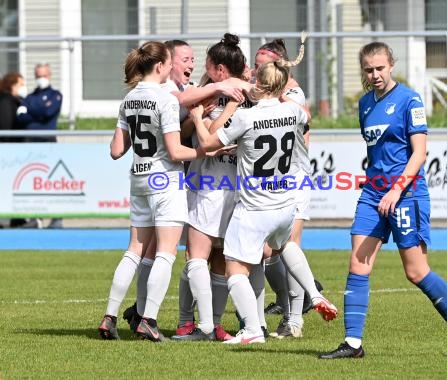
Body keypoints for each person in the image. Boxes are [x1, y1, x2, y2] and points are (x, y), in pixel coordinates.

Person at [319, 41, 447, 359]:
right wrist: (379, 187)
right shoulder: (365, 104)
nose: (375, 74)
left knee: (416, 272)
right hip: (373, 193)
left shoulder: (410, 100)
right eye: (369, 69)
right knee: (357, 263)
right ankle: (353, 344)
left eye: (380, 68)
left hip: (406, 194)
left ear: (391, 65)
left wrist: (396, 189)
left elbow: (419, 152)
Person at [189, 57, 321, 344]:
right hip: (284, 202)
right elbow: (304, 114)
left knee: (236, 268)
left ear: (259, 85)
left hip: (253, 204)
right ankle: (311, 297)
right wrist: (281, 89)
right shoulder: (294, 112)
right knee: (280, 251)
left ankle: (252, 328)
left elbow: (210, 144)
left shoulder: (246, 117)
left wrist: (198, 118)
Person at [98, 40, 206, 342]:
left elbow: (116, 150)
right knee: (166, 253)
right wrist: (204, 152)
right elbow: (174, 151)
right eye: (170, 62)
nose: (173, 66)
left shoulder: (129, 99)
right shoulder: (166, 99)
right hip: (165, 182)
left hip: (139, 179)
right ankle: (149, 320)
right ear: (160, 66)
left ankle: (109, 317)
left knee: (134, 250)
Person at [171, 33, 254, 342]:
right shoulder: (253, 93)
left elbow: (211, 140)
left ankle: (198, 325)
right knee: (219, 259)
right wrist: (195, 119)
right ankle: (211, 325)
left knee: (196, 256)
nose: (201, 70)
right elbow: (183, 131)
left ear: (220, 69)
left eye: (206, 65)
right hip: (237, 187)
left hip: (210, 184)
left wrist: (202, 116)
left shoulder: (217, 95)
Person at [252, 36, 327, 339]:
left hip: (293, 181)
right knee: (267, 251)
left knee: (286, 247)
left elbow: (304, 120)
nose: (254, 73)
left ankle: (295, 317)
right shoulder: (267, 93)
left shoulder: (292, 94)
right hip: (269, 183)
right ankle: (290, 305)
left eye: (259, 67)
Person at [17, 63, 64, 229]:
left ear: (49, 75)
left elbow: (48, 114)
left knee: (52, 181)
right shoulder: (30, 97)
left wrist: (30, 112)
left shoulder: (55, 95)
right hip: (30, 143)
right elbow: (20, 118)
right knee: (31, 180)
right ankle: (35, 218)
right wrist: (37, 112)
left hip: (47, 142)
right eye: (37, 75)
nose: (40, 79)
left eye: (43, 75)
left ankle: (57, 217)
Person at [0, 72, 33, 228]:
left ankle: (17, 218)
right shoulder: (6, 102)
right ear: (12, 85)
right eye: (20, 84)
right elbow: (6, 128)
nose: (23, 87)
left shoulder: (16, 102)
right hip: (9, 153)